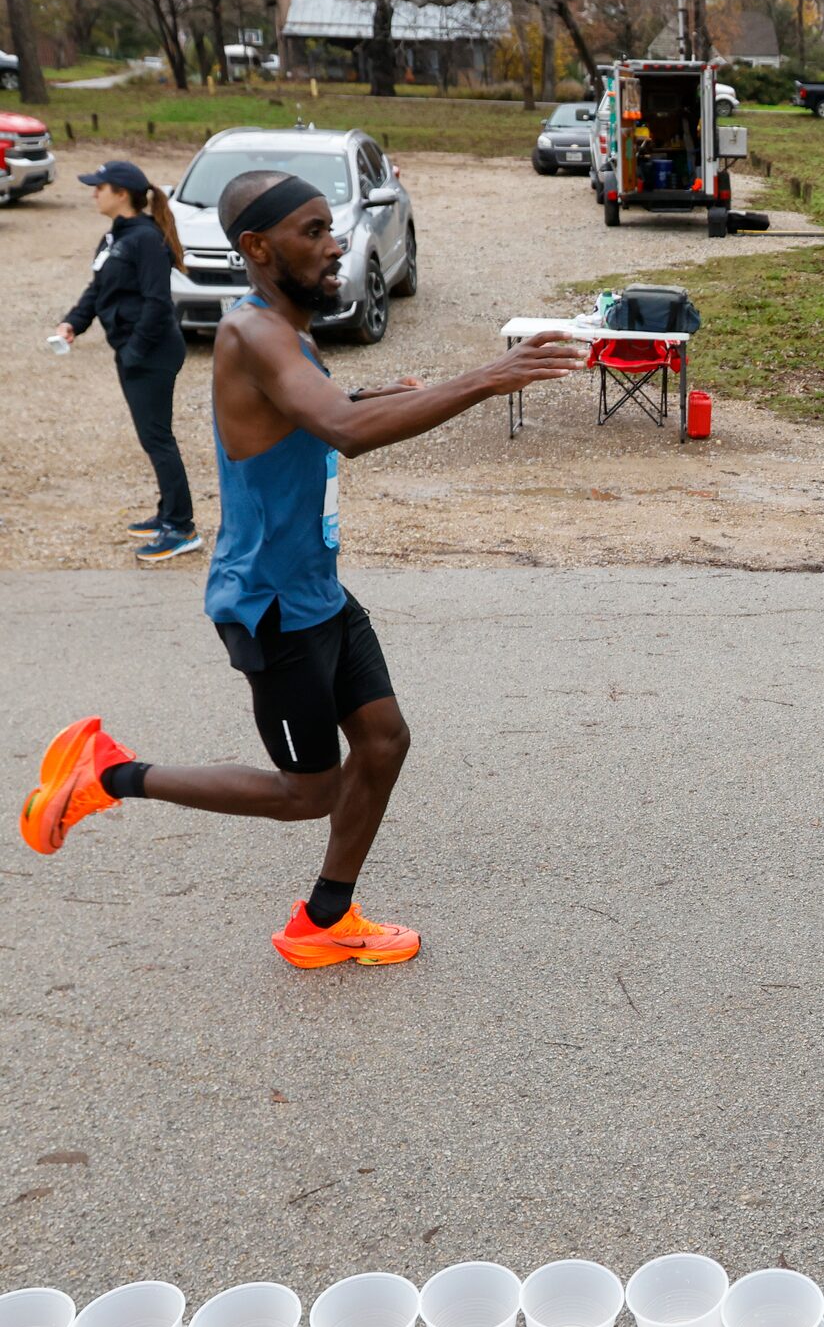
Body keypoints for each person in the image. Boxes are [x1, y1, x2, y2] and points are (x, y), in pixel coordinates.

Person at [18, 169, 583, 967]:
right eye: (312, 232)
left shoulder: (291, 332)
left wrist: (372, 390)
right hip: (270, 604)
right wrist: (486, 377)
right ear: (257, 248)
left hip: (316, 588)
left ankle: (324, 920)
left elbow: (317, 408)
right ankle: (110, 775)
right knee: (308, 793)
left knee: (383, 742)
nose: (335, 244)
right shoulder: (255, 333)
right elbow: (344, 430)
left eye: (331, 228)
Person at [50, 160, 197, 564]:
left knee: (158, 439)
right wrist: (72, 324)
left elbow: (156, 302)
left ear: (122, 193)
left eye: (100, 187)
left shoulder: (146, 239)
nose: (94, 192)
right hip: (135, 351)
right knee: (152, 437)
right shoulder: (116, 237)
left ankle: (182, 527)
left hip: (152, 352)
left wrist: (134, 350)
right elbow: (97, 290)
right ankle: (168, 513)